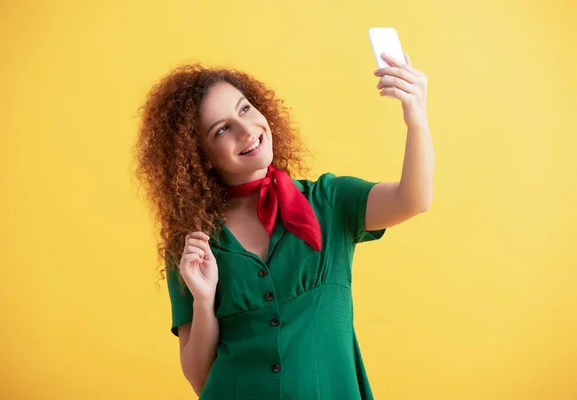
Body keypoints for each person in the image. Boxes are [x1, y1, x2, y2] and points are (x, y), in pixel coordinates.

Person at [134, 52, 434, 399]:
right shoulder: (192, 246)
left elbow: (412, 200)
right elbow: (201, 378)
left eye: (245, 109)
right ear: (200, 158)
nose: (247, 130)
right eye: (222, 130)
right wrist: (203, 300)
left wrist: (417, 120)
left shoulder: (329, 201)